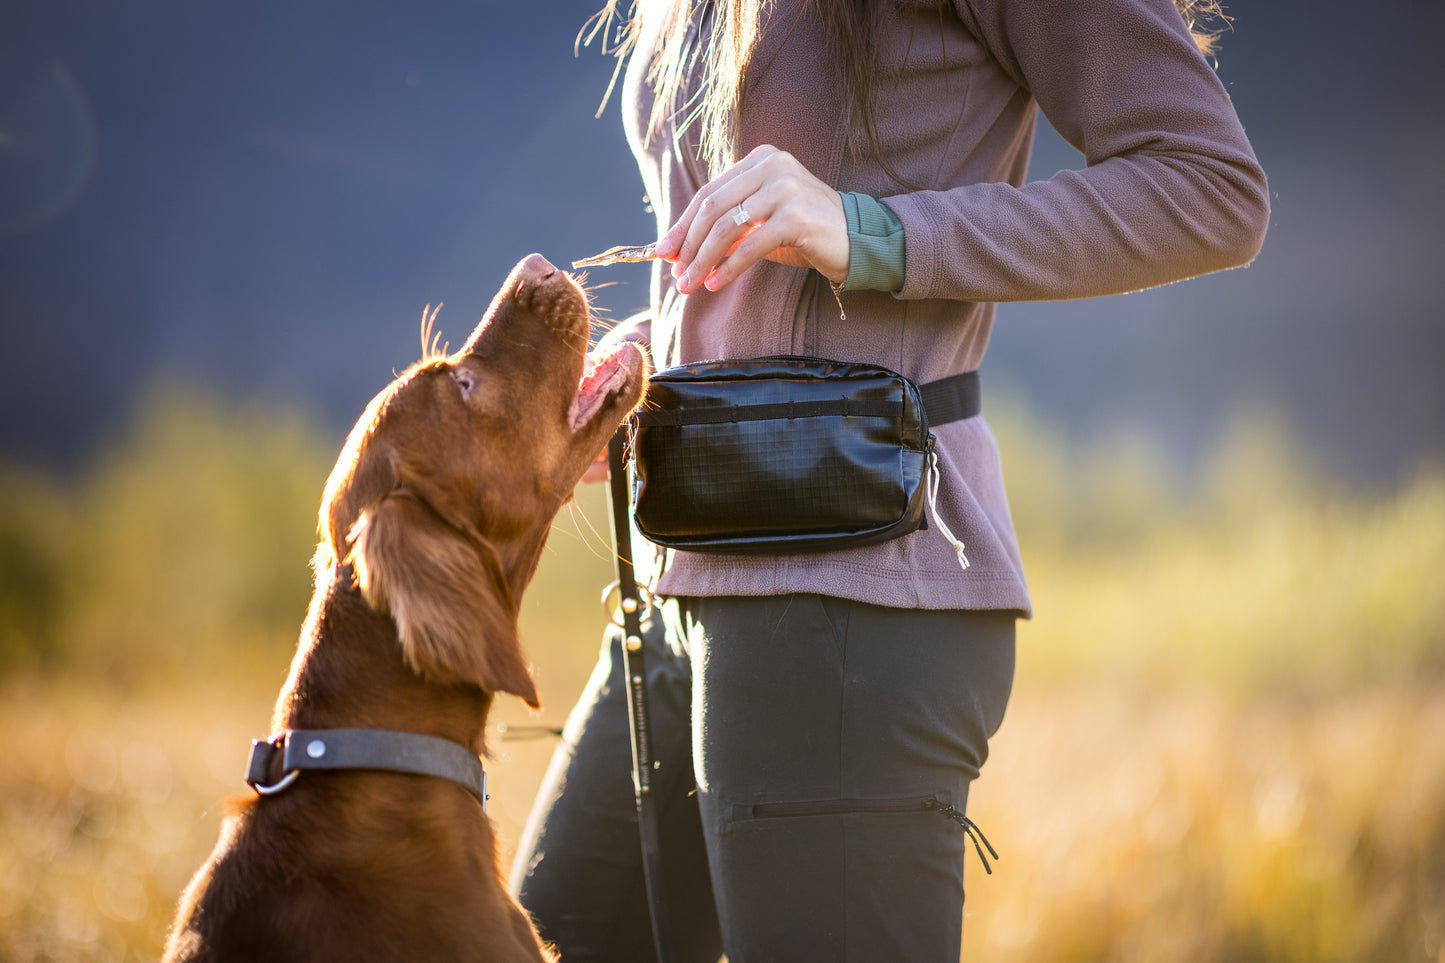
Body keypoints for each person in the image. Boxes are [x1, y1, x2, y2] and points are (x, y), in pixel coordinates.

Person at [511, 0, 1269, 960]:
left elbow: (1209, 188)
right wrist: (652, 358)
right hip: (686, 583)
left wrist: (867, 231)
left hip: (856, 595)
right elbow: (751, 267)